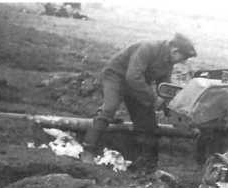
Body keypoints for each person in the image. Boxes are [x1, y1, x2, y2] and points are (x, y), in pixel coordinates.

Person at [82, 33, 197, 173]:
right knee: (109, 108)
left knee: (147, 121)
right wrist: (153, 99)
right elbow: (133, 77)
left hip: (137, 83)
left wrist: (169, 105)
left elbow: (164, 86)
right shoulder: (148, 48)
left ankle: (145, 163)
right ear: (175, 51)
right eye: (182, 58)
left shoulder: (168, 60)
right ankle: (88, 150)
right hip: (116, 76)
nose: (181, 62)